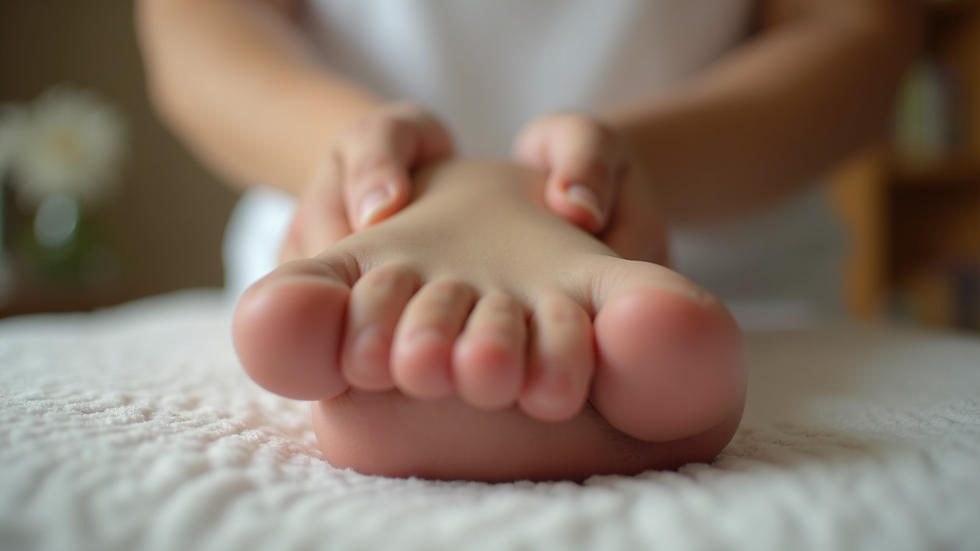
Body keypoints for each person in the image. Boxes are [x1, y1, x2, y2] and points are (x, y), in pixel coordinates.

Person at [137, 0, 921, 481]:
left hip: (729, 259)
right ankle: (619, 349)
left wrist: (634, 163)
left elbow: (856, 31)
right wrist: (354, 151)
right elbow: (200, 18)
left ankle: (380, 336)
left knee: (348, 311)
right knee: (650, 329)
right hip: (353, 216)